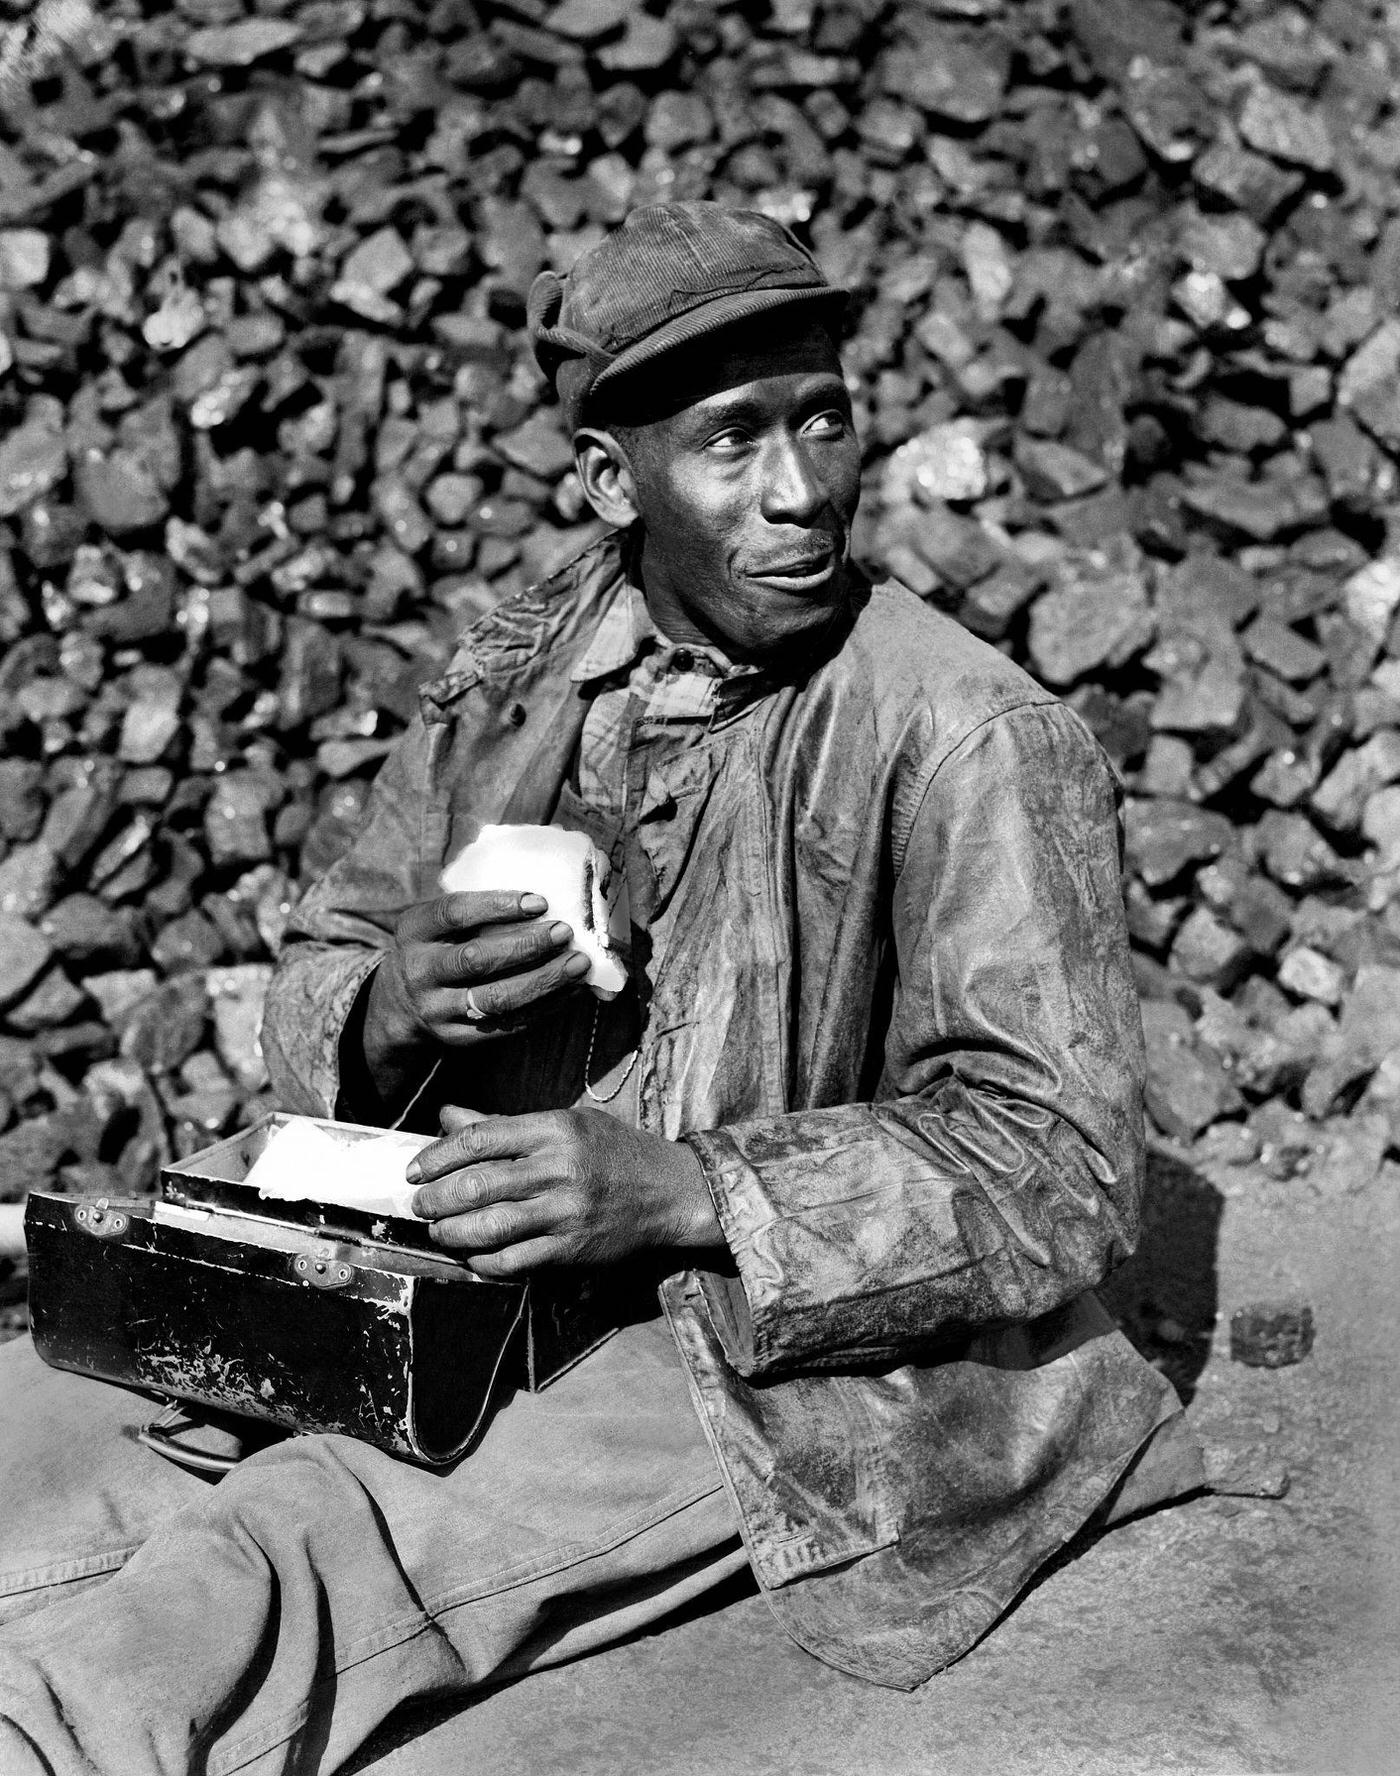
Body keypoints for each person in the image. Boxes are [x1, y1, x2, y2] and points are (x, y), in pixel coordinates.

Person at [0, 202, 1203, 1775]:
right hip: (463, 1246)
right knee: (72, 1438)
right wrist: (389, 1012)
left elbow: (1064, 1171)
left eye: (825, 419)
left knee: (294, 1545)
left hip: (766, 1347)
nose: (801, 493)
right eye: (731, 441)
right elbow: (320, 971)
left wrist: (688, 1190)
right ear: (602, 477)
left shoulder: (965, 733)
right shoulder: (524, 665)